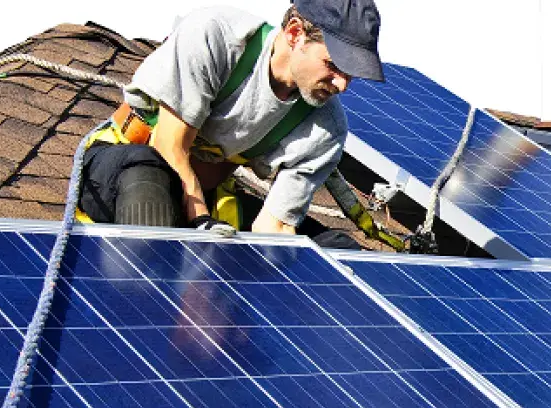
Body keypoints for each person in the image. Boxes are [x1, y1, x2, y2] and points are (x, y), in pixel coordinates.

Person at [77, 0, 384, 236]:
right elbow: (169, 147)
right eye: (333, 65)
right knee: (149, 180)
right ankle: (143, 294)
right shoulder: (216, 37)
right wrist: (200, 222)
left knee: (330, 249)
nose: (342, 85)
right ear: (294, 34)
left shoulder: (326, 128)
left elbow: (275, 228)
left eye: (351, 74)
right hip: (123, 169)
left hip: (210, 197)